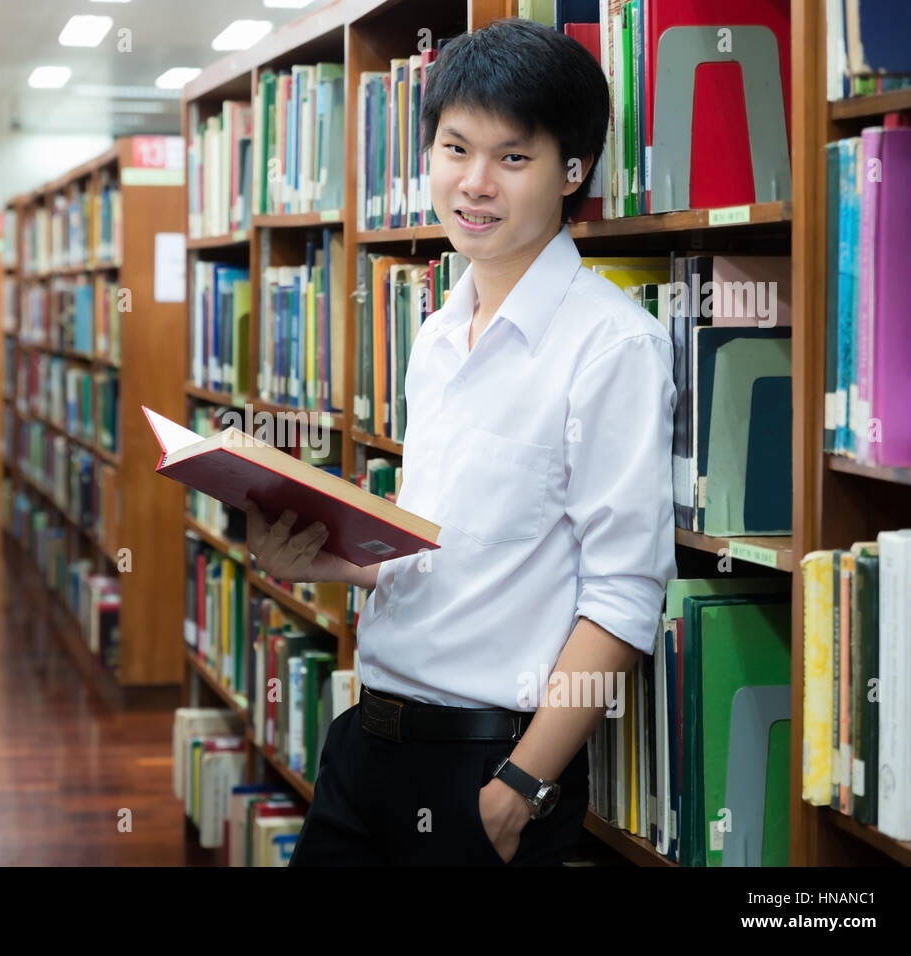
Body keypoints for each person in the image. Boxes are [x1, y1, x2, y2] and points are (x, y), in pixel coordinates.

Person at [243, 18, 676, 866]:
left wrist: (518, 790)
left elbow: (624, 595)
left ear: (573, 170)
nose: (474, 183)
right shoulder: (439, 331)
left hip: (486, 770)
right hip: (364, 743)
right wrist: (328, 560)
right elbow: (452, 547)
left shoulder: (612, 346)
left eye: (513, 158)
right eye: (454, 148)